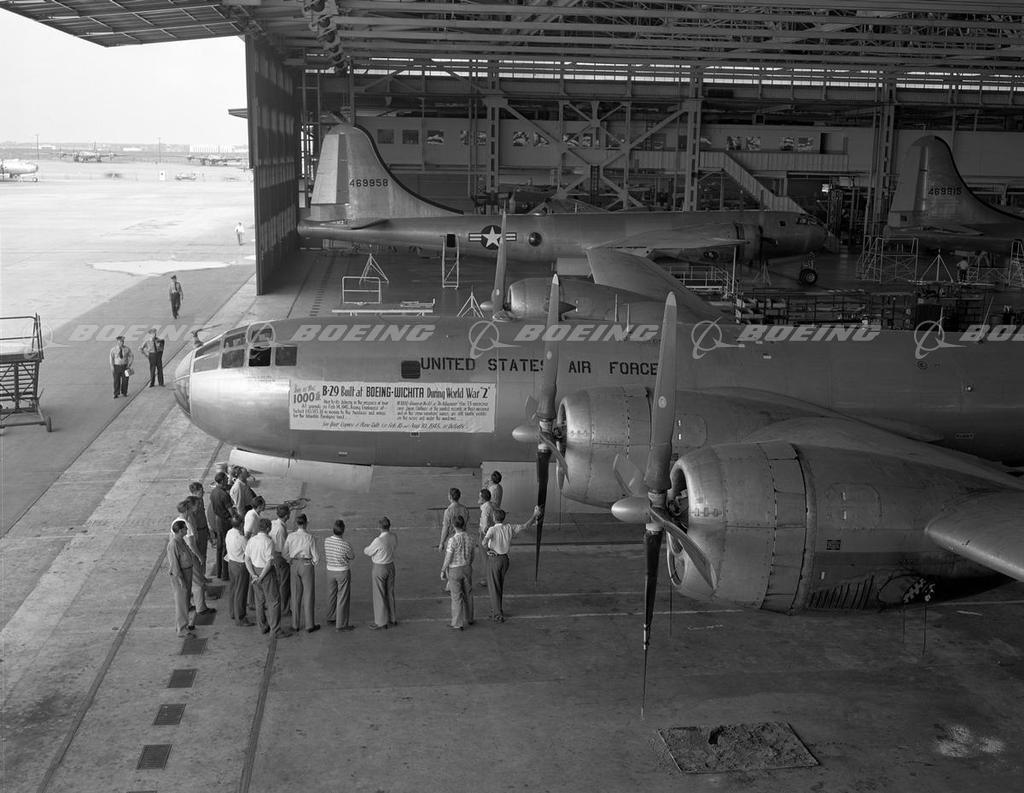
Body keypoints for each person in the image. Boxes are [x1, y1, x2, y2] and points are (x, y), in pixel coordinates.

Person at [482, 506, 542, 622]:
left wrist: (488, 549)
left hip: (494, 559)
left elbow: (484, 542)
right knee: (499, 585)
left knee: (493, 587)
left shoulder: (492, 529)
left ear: (494, 518)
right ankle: (497, 610)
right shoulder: (509, 527)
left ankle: (497, 614)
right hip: (505, 559)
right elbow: (525, 525)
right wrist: (535, 515)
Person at [245, 518, 291, 638]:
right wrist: (261, 577)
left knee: (259, 601)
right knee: (274, 601)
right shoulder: (268, 542)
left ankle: (263, 626)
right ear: (267, 529)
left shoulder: (251, 540)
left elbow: (247, 559)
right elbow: (269, 562)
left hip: (254, 570)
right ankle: (275, 630)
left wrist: (253, 575)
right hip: (267, 573)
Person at [284, 513, 320, 632]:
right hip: (306, 564)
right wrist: (313, 563)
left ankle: (295, 624)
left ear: (296, 523)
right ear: (306, 523)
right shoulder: (309, 537)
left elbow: (285, 552)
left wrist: (290, 560)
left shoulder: (290, 536)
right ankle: (309, 625)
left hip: (294, 564)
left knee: (295, 594)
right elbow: (316, 556)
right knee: (308, 594)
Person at [440, 515, 475, 630]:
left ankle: (457, 623)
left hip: (455, 570)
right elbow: (472, 555)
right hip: (467, 568)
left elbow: (448, 557)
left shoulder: (452, 540)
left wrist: (443, 569)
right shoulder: (470, 538)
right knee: (468, 594)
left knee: (456, 597)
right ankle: (470, 618)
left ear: (453, 526)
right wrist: (468, 564)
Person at [363, 517, 397, 629]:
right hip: (390, 566)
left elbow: (368, 551)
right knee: (390, 592)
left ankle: (381, 621)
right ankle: (392, 618)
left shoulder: (378, 540)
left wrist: (366, 548)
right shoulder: (393, 537)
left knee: (379, 594)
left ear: (379, 527)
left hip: (379, 568)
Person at [324, 519, 356, 631]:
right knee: (342, 597)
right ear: (343, 530)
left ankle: (330, 617)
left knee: (331, 594)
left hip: (330, 571)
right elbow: (351, 556)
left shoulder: (327, 541)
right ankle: (341, 624)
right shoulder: (345, 544)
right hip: (342, 572)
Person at [167, 519, 197, 637]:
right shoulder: (173, 544)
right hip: (181, 575)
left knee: (185, 601)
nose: (187, 529)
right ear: (180, 531)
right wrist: (181, 580)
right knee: (181, 602)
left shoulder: (181, 540)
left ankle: (184, 624)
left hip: (187, 572)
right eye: (185, 528)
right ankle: (182, 629)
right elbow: (175, 565)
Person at [224, 515, 254, 626]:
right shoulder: (242, 538)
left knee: (233, 589)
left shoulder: (229, 533)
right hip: (240, 566)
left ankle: (233, 612)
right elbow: (248, 553)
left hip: (231, 563)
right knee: (241, 592)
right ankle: (240, 617)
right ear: (241, 524)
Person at [208, 471, 235, 580]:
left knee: (219, 547)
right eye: (226, 479)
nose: (227, 480)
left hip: (217, 520)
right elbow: (230, 511)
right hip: (225, 521)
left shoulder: (213, 492)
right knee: (225, 547)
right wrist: (236, 518)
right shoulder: (224, 495)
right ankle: (225, 574)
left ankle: (219, 572)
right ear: (222, 481)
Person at [269, 503, 292, 616]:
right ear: (287, 515)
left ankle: (279, 605)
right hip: (280, 558)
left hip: (273, 555)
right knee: (284, 584)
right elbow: (284, 550)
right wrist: (290, 561)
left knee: (278, 582)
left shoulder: (274, 523)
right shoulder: (281, 529)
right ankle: (284, 608)